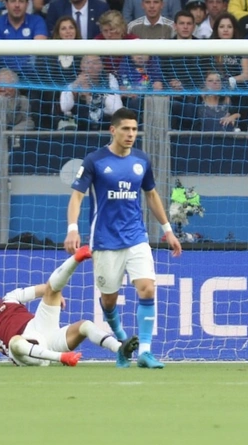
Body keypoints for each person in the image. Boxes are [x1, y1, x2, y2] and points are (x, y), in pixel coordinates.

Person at [64, 107, 182, 368]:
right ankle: (121, 344)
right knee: (109, 300)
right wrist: (72, 228)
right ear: (113, 130)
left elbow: (151, 195)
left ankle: (146, 353)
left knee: (148, 288)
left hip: (136, 237)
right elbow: (77, 197)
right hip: (105, 242)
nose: (131, 134)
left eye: (134, 129)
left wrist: (168, 230)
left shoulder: (141, 160)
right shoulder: (94, 160)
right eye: (126, 129)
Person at [0, 247, 140, 366]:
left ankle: (120, 349)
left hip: (43, 329)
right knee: (15, 342)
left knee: (85, 324)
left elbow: (45, 288)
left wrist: (56, 294)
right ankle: (61, 358)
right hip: (24, 352)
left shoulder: (12, 299)